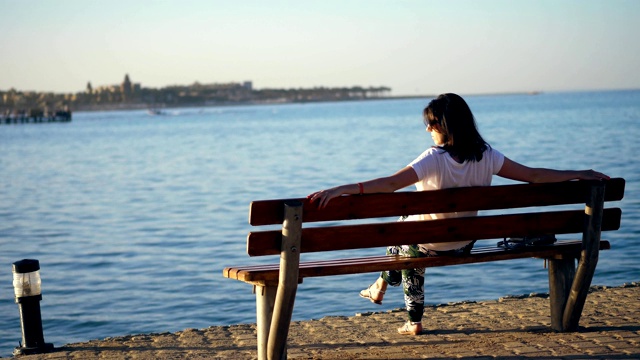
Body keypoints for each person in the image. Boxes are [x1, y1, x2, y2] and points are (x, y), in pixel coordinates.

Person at [307, 93, 610, 335]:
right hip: (465, 243)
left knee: (403, 240)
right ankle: (382, 286)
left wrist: (341, 189)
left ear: (447, 125)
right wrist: (581, 173)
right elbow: (533, 176)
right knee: (405, 235)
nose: (428, 129)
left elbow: (389, 184)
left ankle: (405, 312)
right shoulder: (487, 155)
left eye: (433, 123)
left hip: (426, 244)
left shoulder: (432, 159)